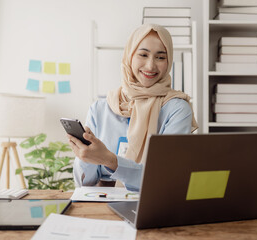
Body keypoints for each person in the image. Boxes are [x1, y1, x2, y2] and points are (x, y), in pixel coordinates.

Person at [68, 24, 198, 191]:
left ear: (169, 60)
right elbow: (84, 183)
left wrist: (109, 160)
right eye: (143, 54)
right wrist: (86, 157)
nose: (150, 66)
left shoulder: (177, 109)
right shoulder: (100, 109)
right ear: (129, 56)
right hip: (102, 202)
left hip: (154, 202)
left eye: (160, 57)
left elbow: (165, 176)